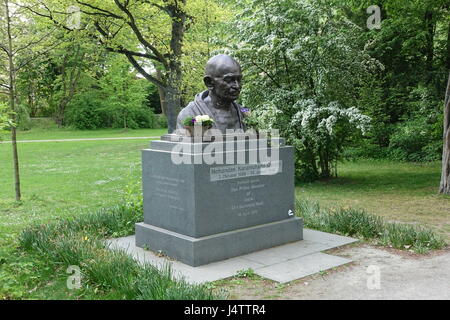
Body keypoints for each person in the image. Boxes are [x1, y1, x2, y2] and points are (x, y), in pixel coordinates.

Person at [176, 54, 247, 133]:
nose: (237, 86)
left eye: (239, 79)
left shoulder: (243, 113)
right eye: (229, 80)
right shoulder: (190, 114)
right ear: (209, 82)